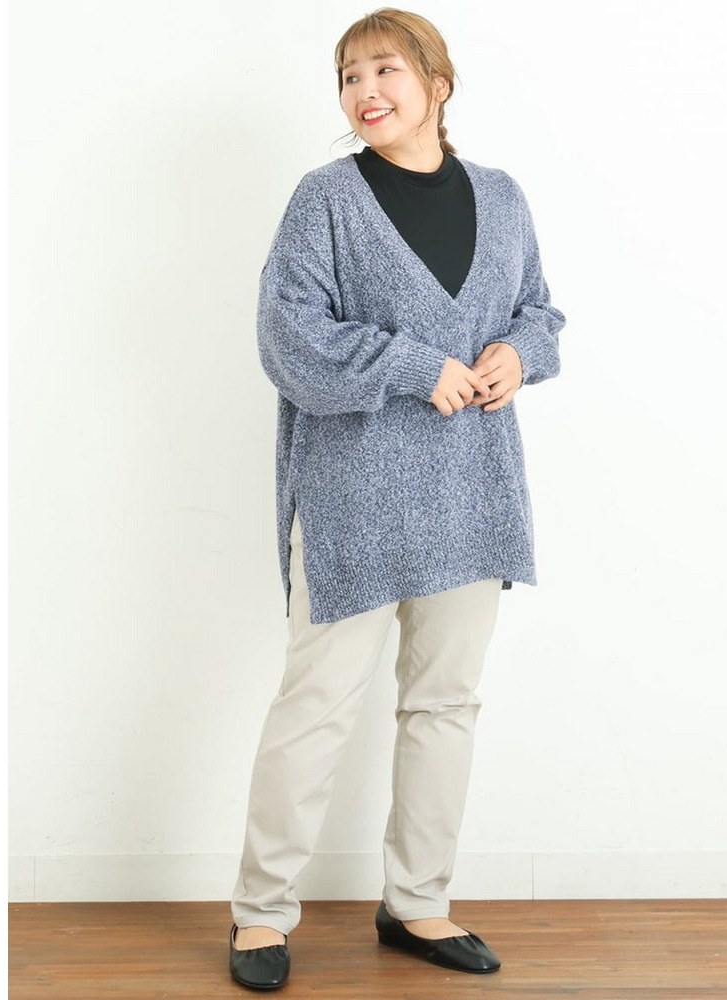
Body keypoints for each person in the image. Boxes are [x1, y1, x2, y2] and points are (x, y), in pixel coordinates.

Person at [228, 7, 565, 990]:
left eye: (384, 69)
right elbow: (287, 336)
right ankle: (260, 913)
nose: (364, 90)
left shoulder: (502, 197)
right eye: (348, 76)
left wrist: (519, 352)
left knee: (444, 704)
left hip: (472, 491)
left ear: (437, 84)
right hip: (354, 500)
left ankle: (416, 900)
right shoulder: (326, 200)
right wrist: (418, 366)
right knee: (316, 706)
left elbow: (540, 311)